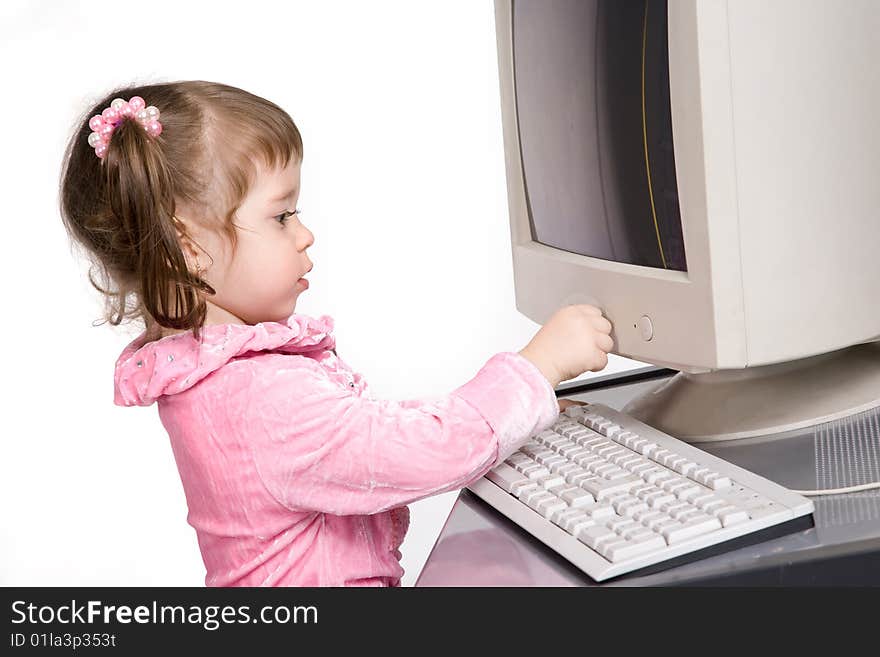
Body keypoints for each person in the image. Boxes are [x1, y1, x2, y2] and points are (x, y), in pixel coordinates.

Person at [59, 81, 614, 587]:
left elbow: (359, 434)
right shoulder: (258, 398)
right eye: (282, 216)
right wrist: (537, 368)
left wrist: (523, 410)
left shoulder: (221, 378)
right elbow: (422, 452)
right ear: (190, 247)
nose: (305, 234)